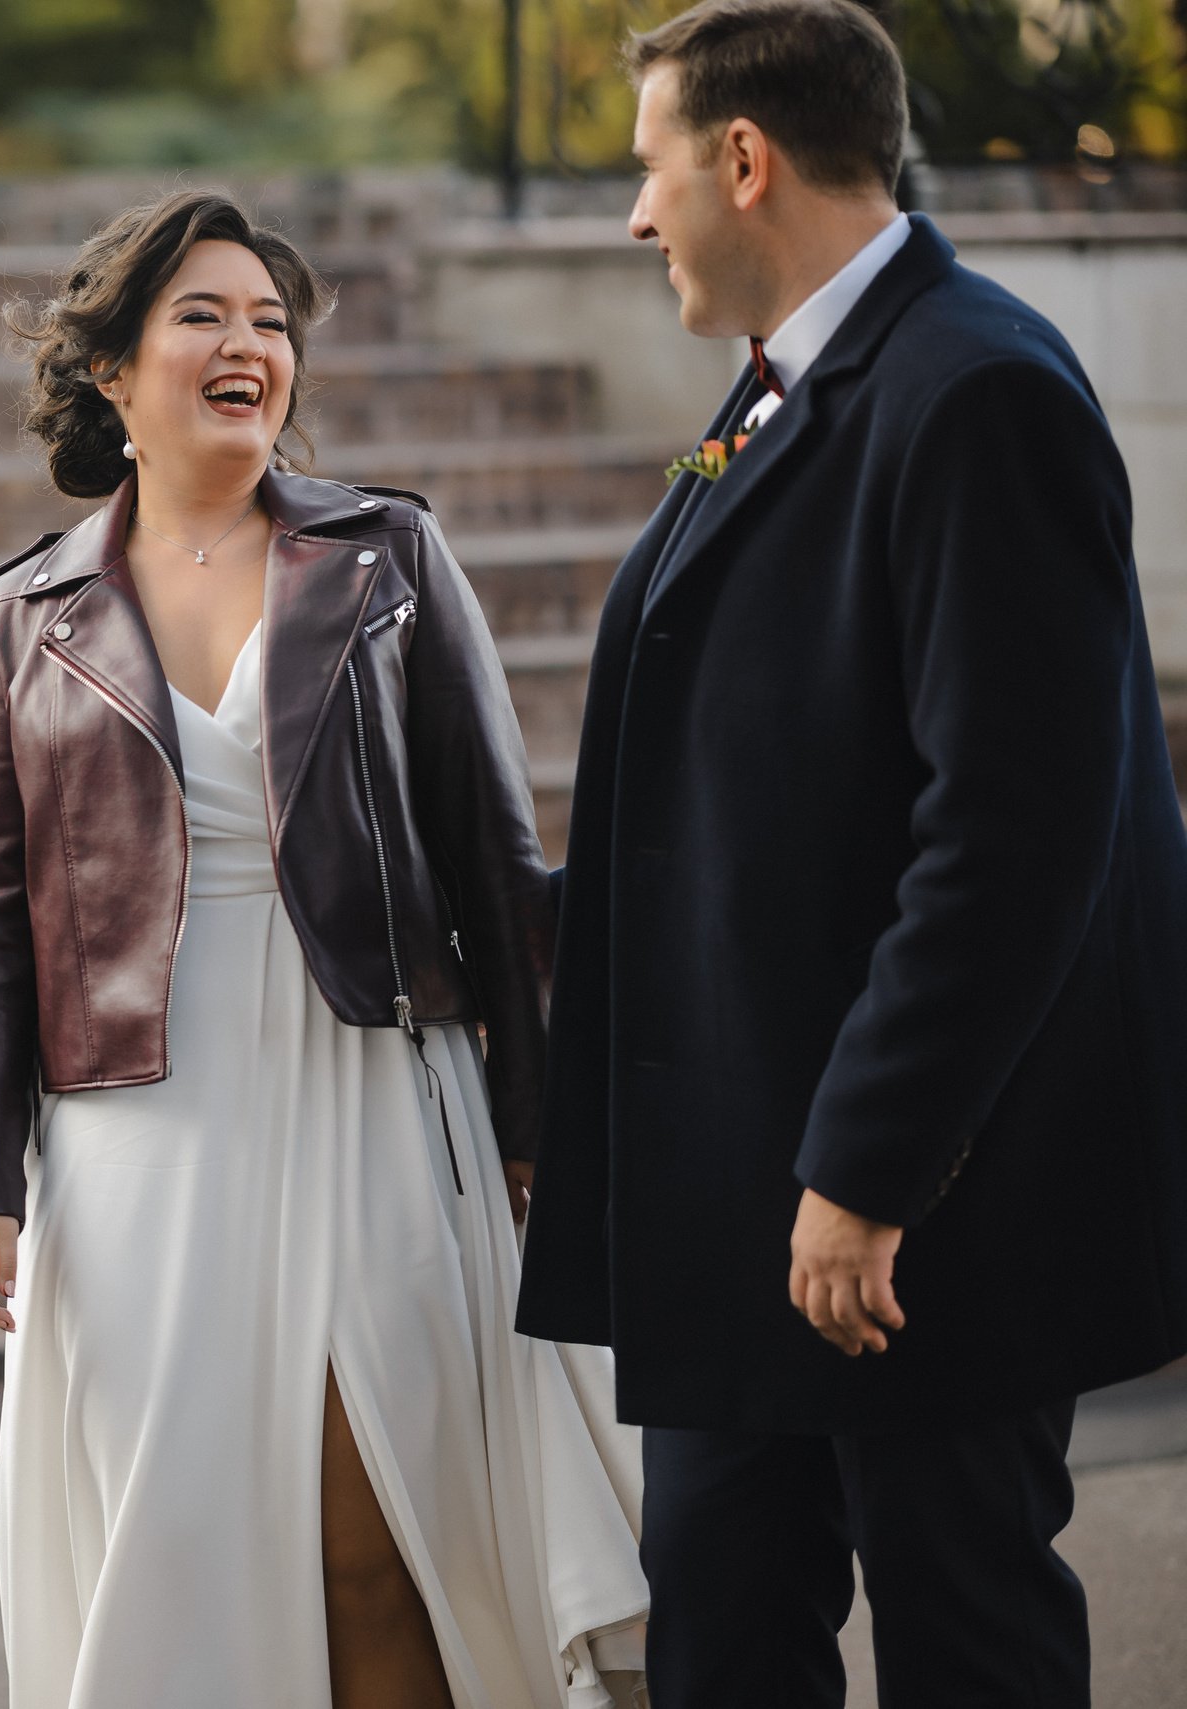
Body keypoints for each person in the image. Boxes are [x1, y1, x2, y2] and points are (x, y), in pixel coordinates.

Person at [513, 3, 1187, 1705]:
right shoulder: (770, 393)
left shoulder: (979, 389)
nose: (637, 214)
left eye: (651, 167)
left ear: (744, 160)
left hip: (908, 1221)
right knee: (726, 1642)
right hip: (739, 1195)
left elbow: (1016, 837)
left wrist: (867, 1171)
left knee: (969, 1640)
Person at [0, 189, 651, 1709]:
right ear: (115, 373)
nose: (248, 342)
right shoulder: (24, 615)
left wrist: (536, 1130)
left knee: (380, 1530)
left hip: (376, 1091)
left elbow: (493, 858)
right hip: (140, 1133)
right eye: (204, 315)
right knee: (181, 1547)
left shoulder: (388, 556)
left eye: (270, 321)